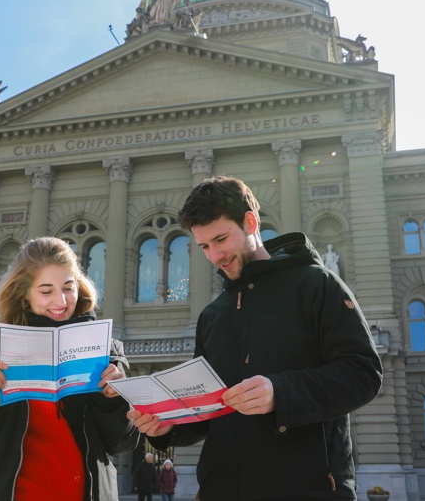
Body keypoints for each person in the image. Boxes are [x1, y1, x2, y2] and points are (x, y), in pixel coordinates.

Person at [127, 176, 383, 500]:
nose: (215, 256)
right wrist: (168, 427)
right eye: (204, 246)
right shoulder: (212, 316)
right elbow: (210, 410)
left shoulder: (317, 285)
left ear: (250, 221)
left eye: (221, 239)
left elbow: (364, 374)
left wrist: (280, 392)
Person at [0, 236, 139, 500]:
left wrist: (111, 402)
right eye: (46, 291)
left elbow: (122, 444)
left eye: (68, 287)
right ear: (24, 293)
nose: (60, 301)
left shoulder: (105, 349)